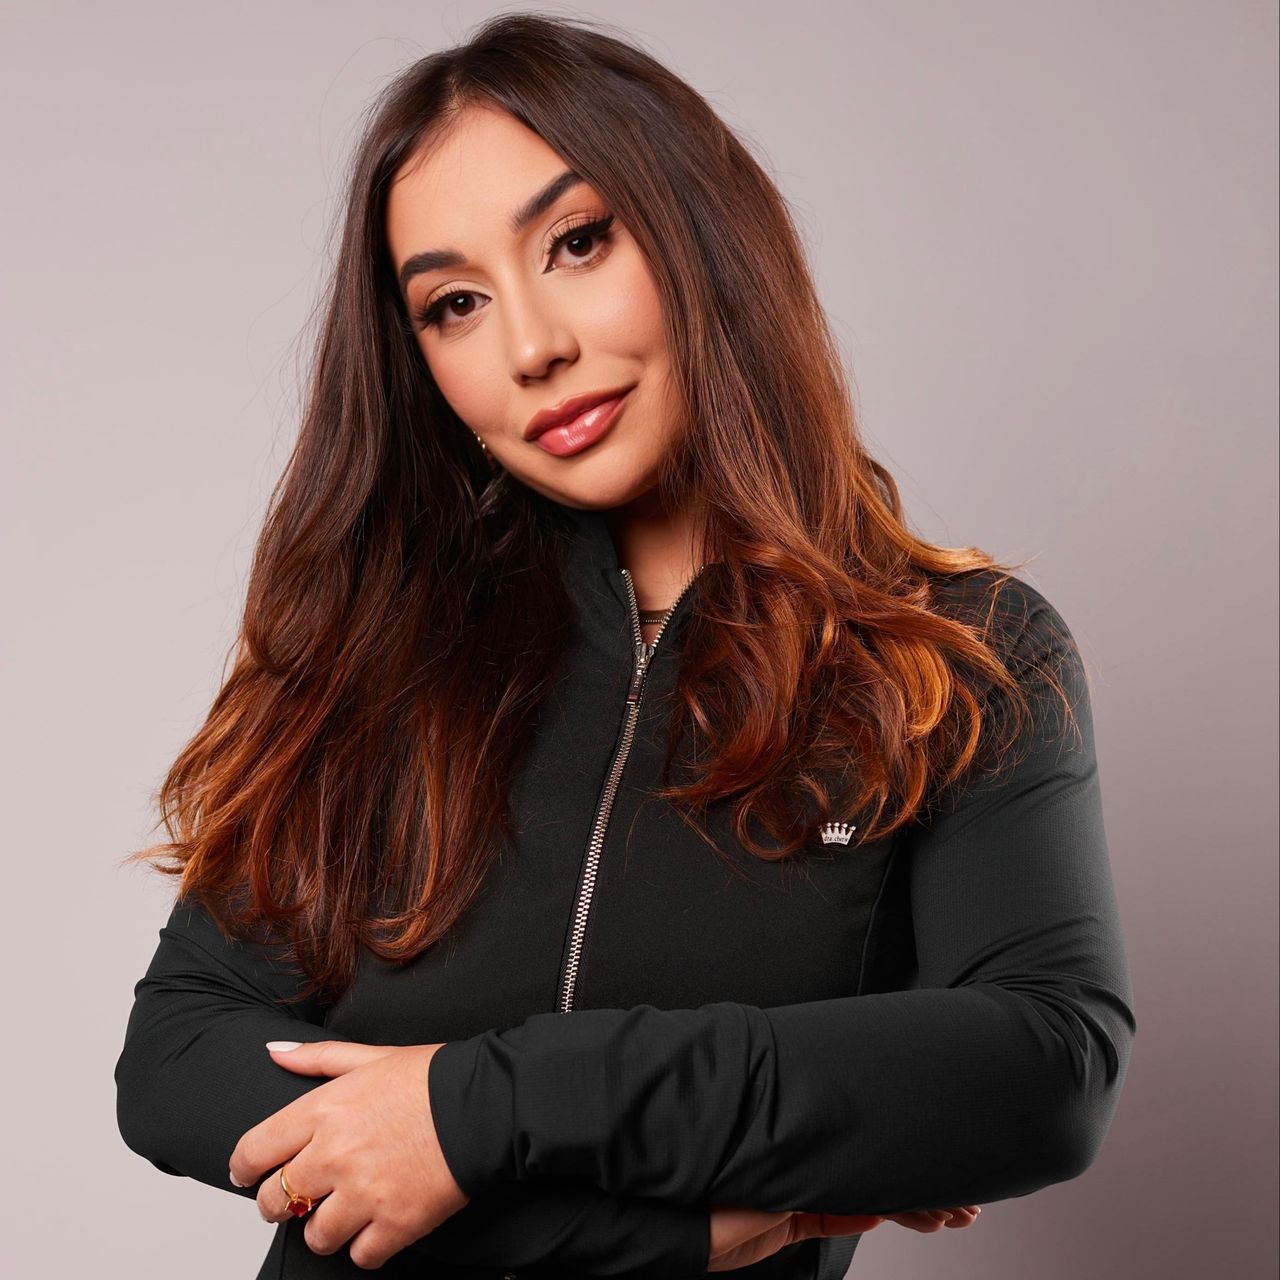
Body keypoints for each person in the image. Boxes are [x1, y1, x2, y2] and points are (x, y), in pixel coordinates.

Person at [113, 12, 1136, 1279]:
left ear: (701, 230)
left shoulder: (956, 658)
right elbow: (178, 1053)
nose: (531, 346)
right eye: (454, 303)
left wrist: (474, 1107)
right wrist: (655, 1231)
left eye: (577, 241)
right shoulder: (377, 656)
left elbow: (1041, 1065)